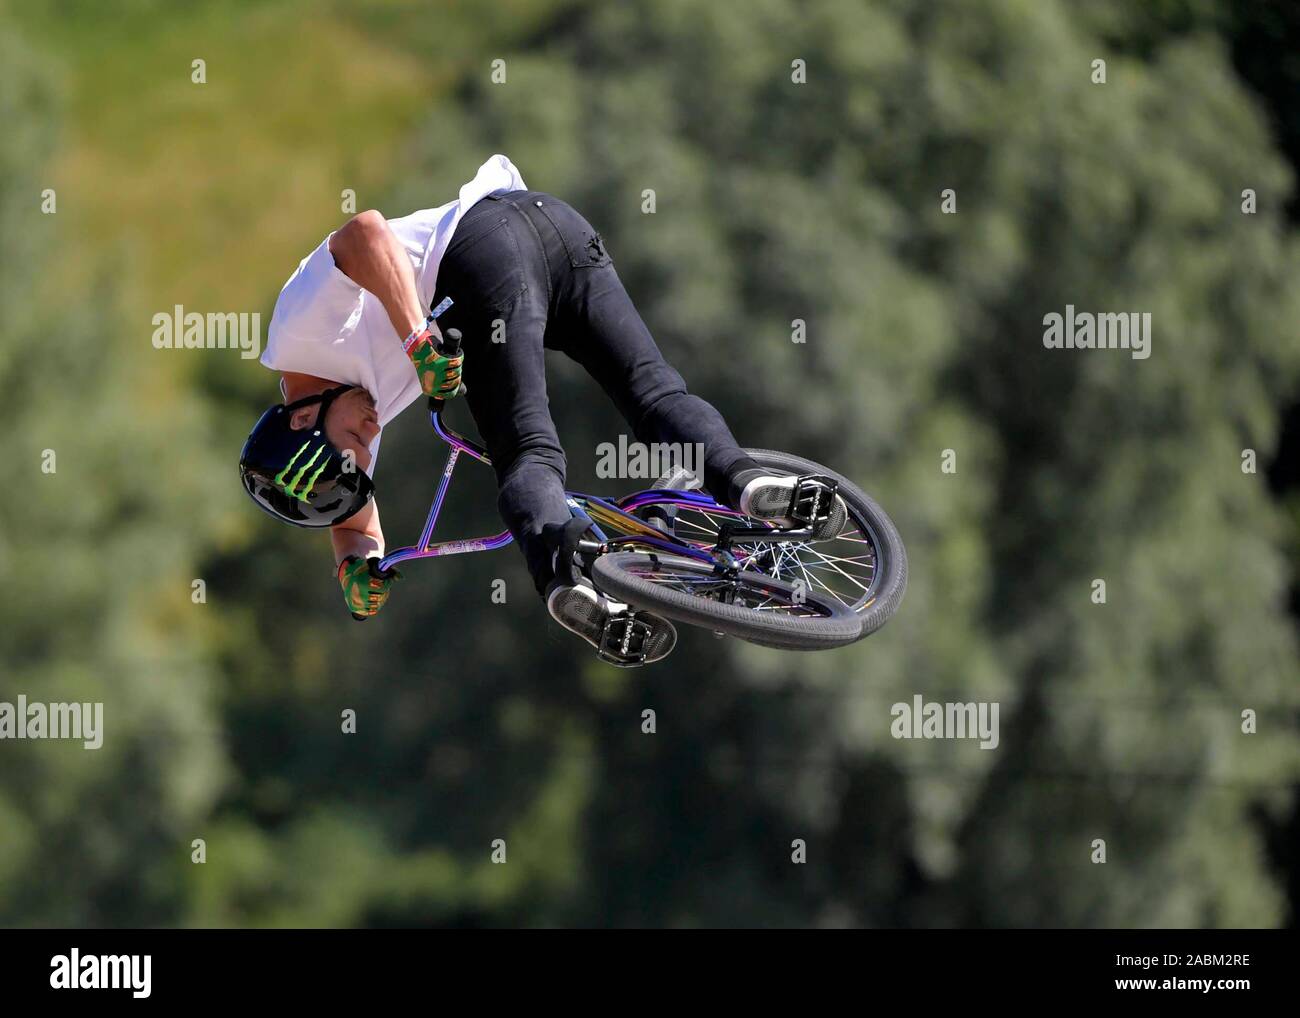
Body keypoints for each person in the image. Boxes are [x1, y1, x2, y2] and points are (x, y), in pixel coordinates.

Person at [239, 155, 844, 665]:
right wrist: (357, 566)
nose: (370, 438)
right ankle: (750, 482)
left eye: (352, 444)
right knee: (656, 394)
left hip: (483, 252)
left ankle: (565, 579)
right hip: (557, 228)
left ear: (301, 418)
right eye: (363, 458)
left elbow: (363, 233)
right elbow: (355, 519)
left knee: (528, 453)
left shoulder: (296, 333)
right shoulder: (345, 411)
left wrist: (418, 338)